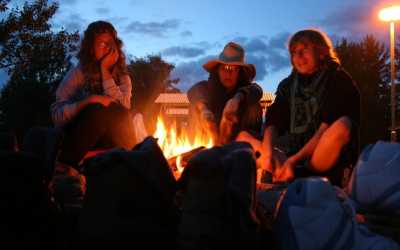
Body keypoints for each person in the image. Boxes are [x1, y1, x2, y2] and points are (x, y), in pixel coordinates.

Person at [237, 29, 360, 187]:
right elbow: (274, 120)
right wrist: (268, 154)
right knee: (243, 138)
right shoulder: (289, 86)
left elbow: (324, 128)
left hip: (323, 159)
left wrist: (293, 162)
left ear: (321, 52)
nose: (299, 56)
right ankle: (285, 172)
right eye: (294, 52)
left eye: (304, 50)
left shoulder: (338, 79)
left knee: (343, 125)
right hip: (294, 155)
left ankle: (300, 173)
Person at [50, 21, 136, 204]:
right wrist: (89, 101)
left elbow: (122, 109)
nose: (107, 49)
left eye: (111, 44)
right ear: (90, 49)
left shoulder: (123, 78)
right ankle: (65, 170)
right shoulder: (79, 74)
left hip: (112, 138)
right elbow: (57, 114)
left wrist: (105, 71)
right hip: (81, 135)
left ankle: (131, 170)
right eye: (101, 44)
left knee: (123, 115)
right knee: (97, 109)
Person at [187, 42, 263, 145]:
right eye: (224, 68)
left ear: (239, 72)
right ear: (217, 70)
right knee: (196, 105)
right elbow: (194, 91)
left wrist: (236, 99)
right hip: (208, 142)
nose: (228, 73)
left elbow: (257, 90)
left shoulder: (247, 90)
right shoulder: (208, 88)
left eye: (233, 68)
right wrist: (203, 110)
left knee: (254, 106)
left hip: (237, 146)